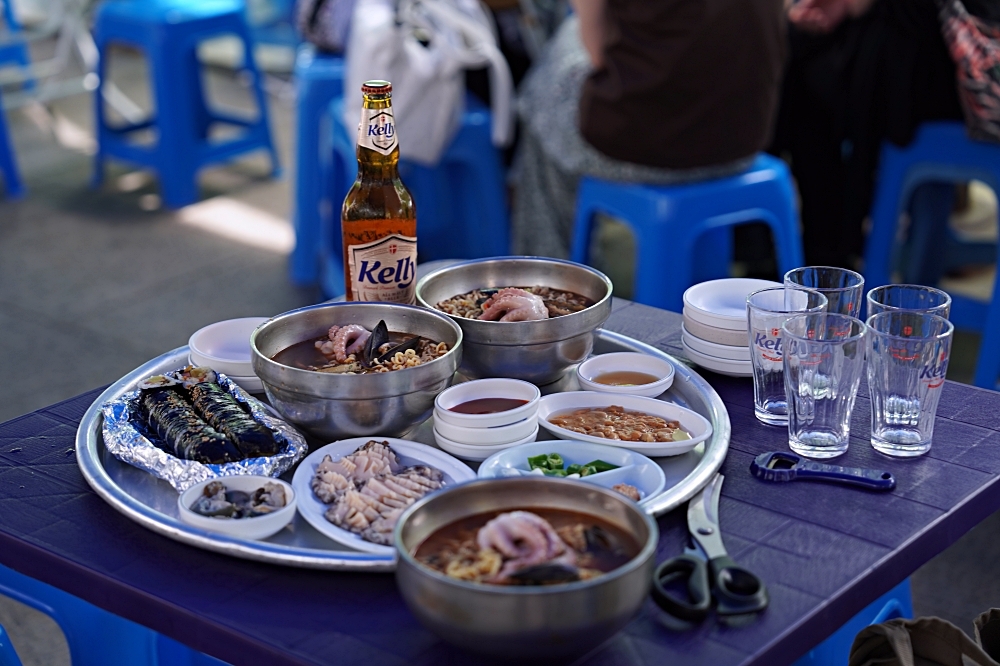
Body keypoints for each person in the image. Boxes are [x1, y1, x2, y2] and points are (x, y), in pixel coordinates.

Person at [509, 0, 786, 262]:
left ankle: (548, 280)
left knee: (544, 92)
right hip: (744, 141)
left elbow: (596, 51)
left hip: (648, 150)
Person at [771, 0, 1000, 269]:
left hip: (957, 70)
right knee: (808, 68)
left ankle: (825, 256)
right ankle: (826, 252)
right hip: (922, 53)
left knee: (813, 86)